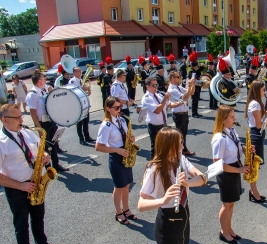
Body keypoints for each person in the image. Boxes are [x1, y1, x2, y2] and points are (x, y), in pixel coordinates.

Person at [0, 104, 63, 244]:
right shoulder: (1, 142)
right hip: (16, 189)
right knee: (21, 224)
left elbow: (40, 151)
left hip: (35, 182)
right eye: (17, 117)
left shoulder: (27, 133)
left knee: (38, 218)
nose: (22, 120)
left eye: (21, 116)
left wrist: (45, 156)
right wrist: (20, 186)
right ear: (4, 120)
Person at [138, 127, 207, 244]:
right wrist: (163, 200)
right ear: (169, 146)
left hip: (184, 216)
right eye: (179, 143)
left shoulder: (180, 159)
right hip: (168, 222)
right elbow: (141, 205)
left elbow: (202, 178)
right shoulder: (154, 169)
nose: (182, 146)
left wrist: (188, 182)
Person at [211, 105, 251, 244]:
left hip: (234, 169)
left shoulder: (232, 131)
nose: (235, 119)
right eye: (232, 117)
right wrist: (239, 170)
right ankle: (224, 232)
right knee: (226, 205)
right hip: (226, 173)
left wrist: (246, 149)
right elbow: (218, 164)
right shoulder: (219, 138)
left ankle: (229, 229)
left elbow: (236, 147)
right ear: (223, 119)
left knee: (231, 204)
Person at [95, 97, 137, 225]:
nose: (119, 110)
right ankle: (118, 212)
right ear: (108, 108)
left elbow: (125, 135)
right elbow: (98, 147)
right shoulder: (106, 125)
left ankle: (126, 209)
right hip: (116, 157)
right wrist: (116, 150)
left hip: (125, 154)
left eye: (120, 107)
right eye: (116, 108)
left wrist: (131, 138)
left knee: (127, 185)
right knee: (119, 187)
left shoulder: (121, 120)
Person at [244, 81, 267, 202]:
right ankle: (254, 192)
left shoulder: (257, 103)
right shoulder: (255, 104)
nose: (265, 92)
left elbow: (261, 116)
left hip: (258, 134)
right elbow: (259, 124)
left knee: (256, 165)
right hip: (256, 134)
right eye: (263, 89)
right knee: (254, 165)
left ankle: (254, 191)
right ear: (257, 90)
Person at [25, 70, 68, 172]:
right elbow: (33, 113)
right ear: (39, 81)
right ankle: (48, 168)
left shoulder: (43, 90)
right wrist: (39, 128)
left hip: (49, 121)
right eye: (44, 79)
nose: (46, 80)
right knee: (45, 147)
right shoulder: (32, 94)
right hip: (43, 123)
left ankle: (56, 165)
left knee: (53, 144)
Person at [142, 77, 184, 159]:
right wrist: (165, 98)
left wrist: (181, 102)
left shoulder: (158, 95)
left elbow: (170, 104)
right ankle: (153, 168)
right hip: (154, 126)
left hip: (163, 125)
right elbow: (157, 110)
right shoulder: (147, 98)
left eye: (157, 85)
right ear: (147, 86)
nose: (156, 87)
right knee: (156, 149)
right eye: (153, 85)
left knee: (164, 148)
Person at [167, 70, 196, 156]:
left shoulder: (178, 87)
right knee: (180, 134)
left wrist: (192, 84)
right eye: (178, 77)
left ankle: (183, 149)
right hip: (178, 114)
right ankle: (179, 151)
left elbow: (191, 92)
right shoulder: (172, 89)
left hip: (184, 113)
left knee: (184, 133)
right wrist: (190, 85)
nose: (179, 78)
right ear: (173, 78)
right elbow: (185, 98)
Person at [68, 67, 95, 145]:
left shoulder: (81, 80)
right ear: (74, 72)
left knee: (86, 121)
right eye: (78, 71)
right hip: (78, 104)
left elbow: (83, 92)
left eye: (80, 71)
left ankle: (87, 136)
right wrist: (82, 88)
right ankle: (81, 139)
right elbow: (73, 91)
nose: (80, 73)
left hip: (84, 103)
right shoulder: (72, 81)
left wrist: (87, 92)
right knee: (80, 123)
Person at [188, 51, 205, 118]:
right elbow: (193, 79)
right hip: (193, 88)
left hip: (197, 87)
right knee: (194, 101)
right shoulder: (191, 71)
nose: (197, 67)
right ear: (194, 66)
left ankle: (196, 112)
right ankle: (194, 113)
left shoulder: (195, 70)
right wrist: (199, 80)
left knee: (196, 101)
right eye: (196, 66)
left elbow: (199, 72)